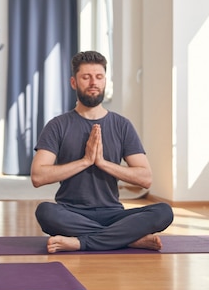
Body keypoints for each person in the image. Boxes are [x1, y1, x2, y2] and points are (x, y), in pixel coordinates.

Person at [31, 51, 173, 253]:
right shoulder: (58, 125)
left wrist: (102, 163)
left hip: (113, 213)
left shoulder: (121, 125)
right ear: (74, 82)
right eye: (86, 77)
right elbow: (37, 176)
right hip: (71, 213)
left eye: (99, 77)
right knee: (45, 212)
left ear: (105, 81)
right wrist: (86, 161)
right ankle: (126, 238)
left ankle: (82, 242)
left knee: (163, 211)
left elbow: (145, 178)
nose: (93, 83)